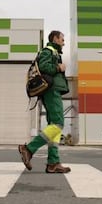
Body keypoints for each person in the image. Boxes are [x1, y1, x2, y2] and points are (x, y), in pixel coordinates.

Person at [18, 30, 71, 173]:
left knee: (53, 126)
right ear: (55, 38)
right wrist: (58, 67)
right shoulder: (49, 50)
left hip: (51, 90)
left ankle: (53, 163)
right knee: (58, 124)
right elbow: (44, 67)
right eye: (62, 39)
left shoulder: (54, 52)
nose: (64, 42)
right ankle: (28, 148)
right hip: (52, 90)